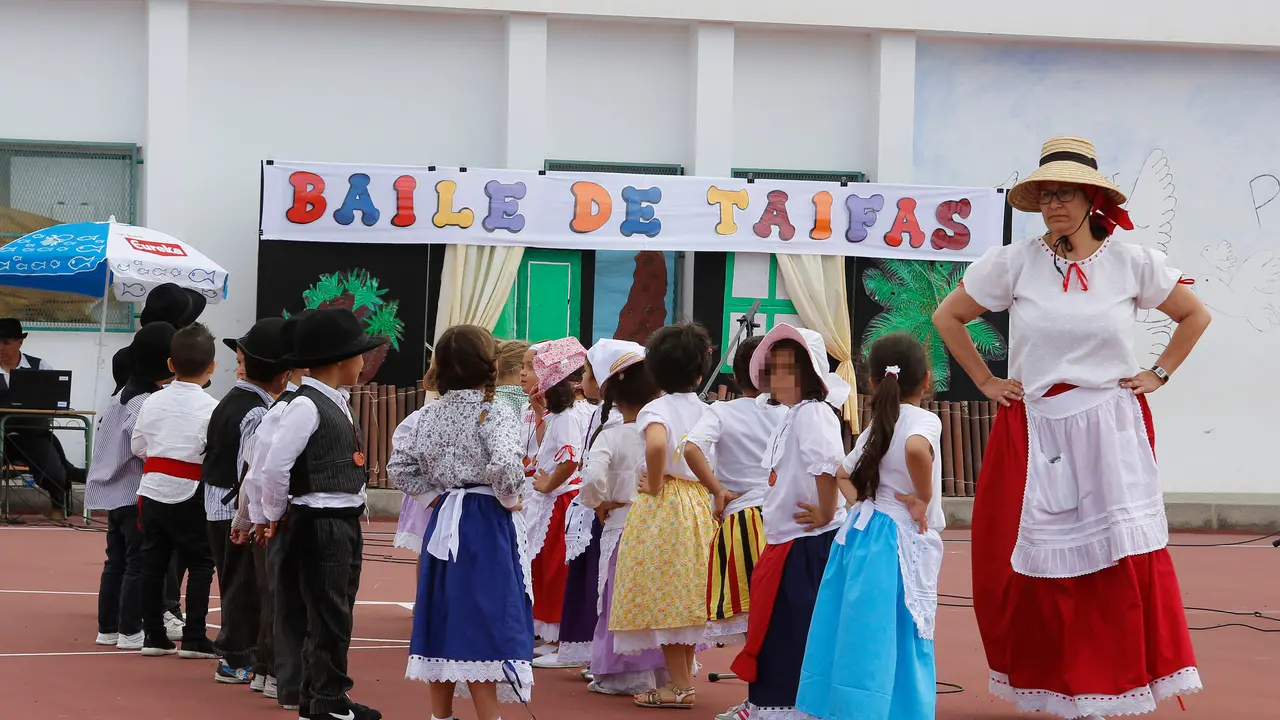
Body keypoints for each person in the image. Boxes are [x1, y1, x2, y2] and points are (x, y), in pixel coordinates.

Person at [932, 136, 1210, 717]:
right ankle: (1057, 685)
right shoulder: (1017, 262)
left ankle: (1114, 680)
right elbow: (948, 316)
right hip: (1036, 425)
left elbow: (1194, 314)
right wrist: (986, 381)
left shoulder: (1132, 262)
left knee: (1116, 559)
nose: (1055, 204)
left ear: (1091, 199)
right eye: (1046, 194)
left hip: (1110, 424)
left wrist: (1158, 373)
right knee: (1019, 559)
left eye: (1066, 194)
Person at [797, 333, 944, 720]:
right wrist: (922, 497)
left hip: (862, 535)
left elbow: (843, 473)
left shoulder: (878, 425)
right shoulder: (923, 420)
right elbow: (915, 450)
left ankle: (847, 707)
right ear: (927, 379)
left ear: (873, 383)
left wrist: (862, 503)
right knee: (901, 631)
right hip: (898, 541)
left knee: (855, 629)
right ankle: (902, 711)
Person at [388, 324, 532, 720]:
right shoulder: (494, 411)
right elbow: (505, 463)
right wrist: (509, 497)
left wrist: (434, 497)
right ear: (490, 362)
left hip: (445, 517)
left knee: (444, 610)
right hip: (484, 520)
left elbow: (399, 466)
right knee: (485, 611)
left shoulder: (425, 415)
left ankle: (441, 715)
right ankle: (488, 715)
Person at [259, 307, 386, 720]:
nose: (363, 362)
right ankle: (326, 699)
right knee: (329, 615)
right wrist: (275, 511)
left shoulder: (334, 401)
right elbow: (276, 464)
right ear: (338, 360)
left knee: (336, 611)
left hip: (341, 518)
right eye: (358, 355)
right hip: (321, 519)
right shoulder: (306, 405)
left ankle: (324, 694)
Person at [729, 324, 850, 720]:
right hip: (787, 539)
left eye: (787, 369)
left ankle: (787, 706)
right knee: (776, 623)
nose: (777, 377)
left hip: (806, 542)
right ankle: (768, 703)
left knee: (791, 627)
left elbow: (828, 464)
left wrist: (827, 512)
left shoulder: (814, 413)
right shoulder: (795, 414)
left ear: (810, 375)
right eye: (775, 368)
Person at [610, 322, 715, 711]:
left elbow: (656, 444)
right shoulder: (705, 409)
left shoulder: (656, 408)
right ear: (701, 372)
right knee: (687, 593)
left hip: (666, 503)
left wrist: (653, 483)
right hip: (698, 502)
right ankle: (682, 679)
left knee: (667, 594)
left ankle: (680, 686)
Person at [576, 340, 670, 696]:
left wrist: (597, 501)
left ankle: (621, 674)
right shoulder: (660, 432)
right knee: (654, 597)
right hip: (658, 525)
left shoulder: (611, 435)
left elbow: (592, 479)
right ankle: (661, 671)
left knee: (617, 598)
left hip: (620, 524)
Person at [207, 317, 291, 685]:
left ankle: (240, 652)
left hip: (216, 501)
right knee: (244, 584)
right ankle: (237, 656)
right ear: (284, 374)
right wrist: (254, 514)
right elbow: (251, 469)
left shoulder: (230, 400)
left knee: (236, 581)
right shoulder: (259, 412)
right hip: (235, 508)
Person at [131, 322, 220, 659]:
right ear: (212, 367)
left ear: (170, 364)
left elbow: (138, 445)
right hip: (191, 488)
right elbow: (212, 451)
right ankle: (195, 637)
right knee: (200, 562)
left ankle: (153, 635)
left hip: (152, 487)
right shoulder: (212, 407)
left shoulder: (152, 401)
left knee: (152, 562)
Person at [84, 322, 175, 650]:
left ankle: (108, 628)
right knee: (138, 562)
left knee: (117, 562)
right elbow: (142, 445)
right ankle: (129, 629)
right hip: (134, 490)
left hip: (113, 493)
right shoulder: (146, 402)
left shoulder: (121, 397)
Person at [240, 309, 312, 713]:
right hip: (285, 515)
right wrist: (261, 516)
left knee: (276, 598)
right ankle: (280, 676)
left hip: (273, 514)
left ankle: (269, 670)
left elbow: (255, 468)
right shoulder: (289, 408)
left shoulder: (290, 405)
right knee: (286, 601)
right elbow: (264, 468)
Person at [524, 337, 590, 656]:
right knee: (543, 567)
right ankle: (545, 630)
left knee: (553, 568)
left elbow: (569, 459)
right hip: (553, 499)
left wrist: (549, 485)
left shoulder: (568, 417)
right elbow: (546, 444)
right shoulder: (559, 416)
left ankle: (555, 635)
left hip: (560, 501)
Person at [0, 317, 84, 517]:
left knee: (53, 466)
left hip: (33, 434)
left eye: (6, 342)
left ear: (20, 342)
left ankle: (57, 505)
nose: (1, 347)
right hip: (0, 435)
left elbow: (55, 400)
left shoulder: (40, 367)